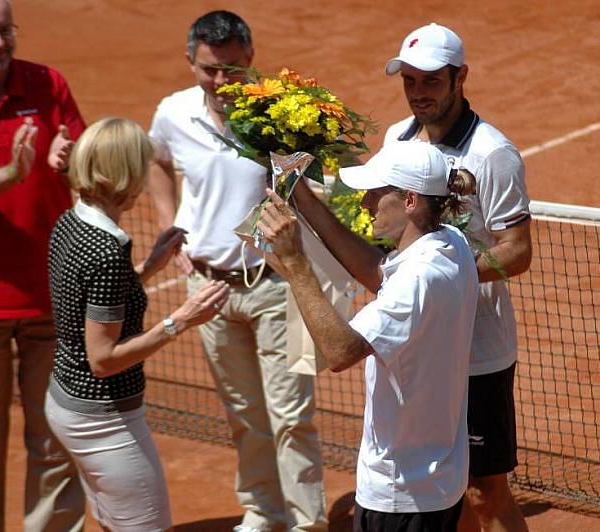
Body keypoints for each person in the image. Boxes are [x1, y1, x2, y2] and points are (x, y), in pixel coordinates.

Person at [147, 10, 327, 531]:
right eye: (209, 70)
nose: (222, 82)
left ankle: (307, 521)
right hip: (208, 288)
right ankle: (263, 509)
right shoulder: (174, 113)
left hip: (280, 285)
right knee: (244, 412)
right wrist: (169, 224)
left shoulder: (282, 115)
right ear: (191, 62)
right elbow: (156, 160)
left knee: (292, 415)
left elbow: (315, 186)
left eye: (232, 69)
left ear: (250, 58)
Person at [259, 141, 479, 531]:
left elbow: (339, 351)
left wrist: (295, 265)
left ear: (409, 200)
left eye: (376, 194)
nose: (365, 203)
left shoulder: (417, 280)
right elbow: (378, 273)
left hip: (400, 493)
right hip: (438, 481)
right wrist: (306, 202)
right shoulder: (450, 245)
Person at [45, 117, 230, 531]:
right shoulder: (107, 252)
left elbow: (89, 300)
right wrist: (180, 320)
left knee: (113, 523)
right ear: (125, 173)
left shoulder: (71, 221)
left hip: (67, 404)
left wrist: (147, 268)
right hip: (104, 420)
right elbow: (103, 359)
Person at [383, 23, 531, 532]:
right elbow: (385, 224)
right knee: (442, 485)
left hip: (477, 350)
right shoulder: (395, 140)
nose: (418, 93)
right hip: (417, 345)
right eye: (409, 81)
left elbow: (517, 251)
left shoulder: (492, 154)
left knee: (485, 491)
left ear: (460, 76)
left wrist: (450, 272)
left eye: (430, 81)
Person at [0, 0, 87, 529]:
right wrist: (11, 175)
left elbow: (85, 170)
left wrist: (69, 164)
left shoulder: (48, 85)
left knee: (57, 439)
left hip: (52, 297)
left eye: (5, 32)